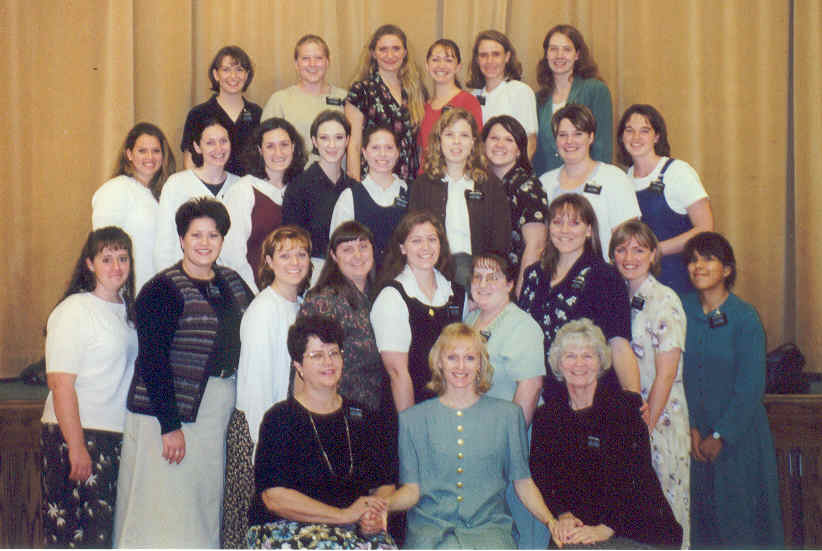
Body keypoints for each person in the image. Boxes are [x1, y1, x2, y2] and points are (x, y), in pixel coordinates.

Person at [114, 198, 254, 548]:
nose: (205, 243)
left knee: (202, 502)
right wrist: (170, 426)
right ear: (181, 239)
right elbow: (153, 361)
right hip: (168, 413)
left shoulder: (234, 283)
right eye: (196, 235)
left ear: (222, 240)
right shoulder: (161, 289)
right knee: (164, 506)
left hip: (216, 407)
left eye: (213, 235)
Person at [387, 323, 559, 549]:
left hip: (490, 532)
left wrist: (550, 521)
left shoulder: (508, 416)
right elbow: (411, 491)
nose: (461, 366)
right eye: (452, 357)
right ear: (439, 362)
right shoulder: (412, 419)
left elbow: (523, 483)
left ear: (480, 363)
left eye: (469, 358)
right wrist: (382, 506)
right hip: (430, 534)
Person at [531, 319, 683, 549]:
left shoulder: (625, 408)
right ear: (558, 364)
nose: (579, 364)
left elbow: (635, 477)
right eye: (570, 356)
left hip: (636, 527)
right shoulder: (546, 417)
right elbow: (543, 475)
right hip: (579, 525)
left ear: (600, 362)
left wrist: (606, 528)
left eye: (587, 356)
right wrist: (563, 514)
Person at [246, 316, 396, 549]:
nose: (328, 362)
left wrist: (374, 513)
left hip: (352, 529)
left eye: (334, 353)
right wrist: (343, 515)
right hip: (286, 529)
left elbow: (384, 483)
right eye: (317, 355)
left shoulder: (364, 417)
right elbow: (274, 498)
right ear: (298, 366)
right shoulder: (279, 419)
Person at [681, 232, 783, 548]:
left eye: (708, 259)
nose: (698, 266)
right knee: (700, 526)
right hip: (693, 438)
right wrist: (691, 429)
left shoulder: (744, 317)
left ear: (727, 269)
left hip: (739, 438)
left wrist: (721, 435)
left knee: (741, 526)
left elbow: (751, 386)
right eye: (693, 260)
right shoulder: (680, 308)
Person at [40, 227, 137, 548]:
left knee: (103, 535)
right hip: (76, 434)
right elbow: (60, 384)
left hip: (114, 434)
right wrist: (77, 446)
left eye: (123, 258)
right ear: (90, 264)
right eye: (106, 259)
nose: (116, 267)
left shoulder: (127, 311)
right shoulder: (74, 310)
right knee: (74, 537)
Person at [222, 226, 312, 548]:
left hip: (284, 430)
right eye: (285, 255)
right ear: (269, 262)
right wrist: (266, 449)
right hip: (258, 432)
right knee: (250, 528)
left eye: (301, 254)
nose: (295, 262)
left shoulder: (300, 305)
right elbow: (256, 385)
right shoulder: (264, 309)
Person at [610, 220, 691, 546]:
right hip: (631, 418)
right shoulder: (618, 294)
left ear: (653, 254)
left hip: (660, 418)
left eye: (639, 250)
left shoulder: (664, 299)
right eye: (621, 250)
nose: (629, 257)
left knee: (668, 508)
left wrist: (647, 426)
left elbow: (666, 374)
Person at [517, 194, 639, 399]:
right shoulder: (533, 274)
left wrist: (633, 398)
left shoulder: (605, 277)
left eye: (575, 223)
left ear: (589, 230)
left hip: (590, 394)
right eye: (557, 222)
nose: (564, 230)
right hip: (539, 392)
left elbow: (619, 344)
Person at [464, 253, 545, 548]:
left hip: (509, 441)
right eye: (478, 276)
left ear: (510, 284)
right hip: (474, 438)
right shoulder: (470, 320)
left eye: (493, 277)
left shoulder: (522, 326)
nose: (483, 283)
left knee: (519, 520)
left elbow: (530, 388)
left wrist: (506, 447)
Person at [371, 211, 465, 413]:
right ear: (402, 248)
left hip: (449, 409)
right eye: (416, 241)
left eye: (432, 239)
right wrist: (412, 425)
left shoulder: (456, 294)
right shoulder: (392, 297)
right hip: (409, 410)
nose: (426, 247)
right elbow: (397, 373)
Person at [618, 104, 714, 295]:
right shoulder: (622, 180)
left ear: (657, 136)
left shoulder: (678, 172)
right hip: (638, 284)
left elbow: (705, 228)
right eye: (629, 130)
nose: (636, 137)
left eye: (644, 131)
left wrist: (656, 250)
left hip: (677, 281)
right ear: (621, 137)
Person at [410, 107, 511, 287]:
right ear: (439, 140)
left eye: (464, 135)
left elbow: (500, 242)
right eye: (449, 135)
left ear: (473, 142)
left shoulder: (490, 185)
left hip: (480, 274)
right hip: (433, 270)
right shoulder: (422, 185)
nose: (456, 142)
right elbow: (413, 236)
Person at [300, 221, 384, 412]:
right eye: (347, 250)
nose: (357, 255)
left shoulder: (379, 295)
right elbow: (308, 365)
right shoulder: (324, 301)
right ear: (333, 256)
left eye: (363, 247)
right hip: (335, 411)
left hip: (373, 409)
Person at [539, 104, 640, 259]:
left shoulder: (614, 178)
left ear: (591, 137)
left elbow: (628, 240)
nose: (569, 141)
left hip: (603, 271)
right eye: (562, 135)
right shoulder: (544, 183)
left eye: (578, 134)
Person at [221, 118, 307, 292]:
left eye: (284, 145)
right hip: (252, 291)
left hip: (293, 293)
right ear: (259, 150)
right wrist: (254, 294)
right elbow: (231, 254)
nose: (278, 152)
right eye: (270, 146)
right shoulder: (244, 189)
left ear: (293, 147)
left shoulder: (300, 188)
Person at [92, 122, 176, 292]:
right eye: (142, 151)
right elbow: (103, 248)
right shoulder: (115, 189)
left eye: (156, 151)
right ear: (129, 154)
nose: (150, 157)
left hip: (157, 289)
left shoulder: (164, 194)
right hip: (127, 291)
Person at [154, 117, 240, 272]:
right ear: (197, 147)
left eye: (223, 141)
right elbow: (164, 245)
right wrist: (174, 280)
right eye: (210, 143)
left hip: (229, 278)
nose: (219, 148)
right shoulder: (177, 184)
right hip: (184, 276)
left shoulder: (241, 186)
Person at [346, 24, 426, 181]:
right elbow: (354, 145)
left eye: (396, 49)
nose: (390, 55)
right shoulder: (361, 91)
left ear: (405, 53)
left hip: (409, 182)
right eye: (383, 49)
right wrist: (356, 187)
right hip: (373, 182)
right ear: (373, 54)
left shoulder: (415, 91)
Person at [283, 110, 356, 277]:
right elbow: (293, 242)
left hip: (350, 272)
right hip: (312, 274)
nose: (332, 145)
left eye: (339, 137)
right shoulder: (298, 187)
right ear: (314, 141)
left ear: (347, 140)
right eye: (324, 138)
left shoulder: (355, 188)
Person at [481, 115, 548, 294]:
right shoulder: (479, 184)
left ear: (519, 150)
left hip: (515, 285)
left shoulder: (527, 186)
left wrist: (519, 294)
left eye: (509, 140)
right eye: (494, 138)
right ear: (483, 145)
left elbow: (536, 245)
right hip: (485, 283)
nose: (500, 145)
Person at [533, 24, 613, 175]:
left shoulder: (595, 90)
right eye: (553, 49)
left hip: (587, 180)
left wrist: (597, 182)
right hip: (548, 181)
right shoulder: (538, 99)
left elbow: (602, 146)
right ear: (546, 54)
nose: (559, 55)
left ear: (577, 55)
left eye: (567, 49)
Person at [330, 125, 408, 267]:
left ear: (398, 153)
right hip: (362, 276)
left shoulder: (410, 191)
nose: (382, 154)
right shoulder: (349, 197)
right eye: (375, 148)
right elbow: (339, 248)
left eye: (389, 148)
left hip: (402, 276)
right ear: (365, 153)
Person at [261, 35, 347, 158]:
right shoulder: (279, 100)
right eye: (305, 58)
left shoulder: (345, 98)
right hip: (295, 171)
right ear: (296, 64)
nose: (312, 64)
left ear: (327, 62)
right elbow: (267, 146)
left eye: (318, 58)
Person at [181, 45, 261, 176]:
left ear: (247, 75)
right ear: (215, 75)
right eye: (226, 70)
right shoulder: (198, 114)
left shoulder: (257, 113)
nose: (233, 76)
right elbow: (189, 162)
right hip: (209, 187)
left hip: (248, 187)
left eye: (239, 70)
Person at [466, 30, 538, 159]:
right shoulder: (472, 97)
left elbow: (530, 143)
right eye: (483, 55)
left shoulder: (521, 91)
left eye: (496, 54)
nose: (489, 61)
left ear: (507, 57)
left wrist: (517, 171)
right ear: (477, 59)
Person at [417, 39, 483, 173]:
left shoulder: (468, 101)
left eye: (448, 60)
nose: (441, 65)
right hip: (426, 179)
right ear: (427, 65)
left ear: (458, 67)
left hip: (455, 178)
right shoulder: (423, 107)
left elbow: (476, 147)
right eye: (435, 59)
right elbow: (421, 151)